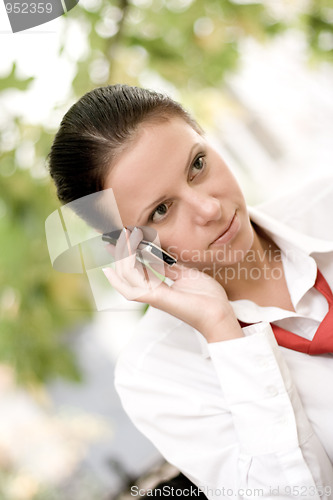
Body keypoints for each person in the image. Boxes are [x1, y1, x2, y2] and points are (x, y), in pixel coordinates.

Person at [48, 84, 333, 499]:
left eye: (197, 164)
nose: (209, 209)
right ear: (125, 244)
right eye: (161, 210)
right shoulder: (156, 373)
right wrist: (222, 329)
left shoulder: (326, 205)